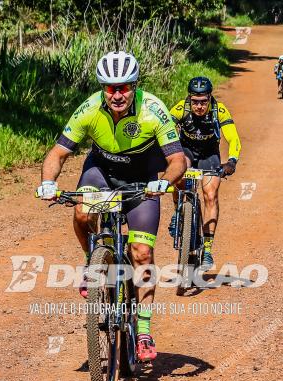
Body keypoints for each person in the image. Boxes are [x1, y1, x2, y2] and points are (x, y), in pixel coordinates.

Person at [36, 51, 187, 361]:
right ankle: (91, 261)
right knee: (82, 210)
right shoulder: (89, 109)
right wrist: (49, 182)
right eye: (110, 88)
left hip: (143, 179)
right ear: (103, 88)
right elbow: (58, 153)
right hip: (101, 172)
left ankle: (143, 330)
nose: (117, 94)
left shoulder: (153, 110)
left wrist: (165, 182)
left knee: (142, 253)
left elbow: (177, 160)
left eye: (124, 87)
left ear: (135, 85)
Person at [168, 77, 242, 269]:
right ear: (189, 98)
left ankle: (207, 249)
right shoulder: (180, 108)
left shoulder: (219, 110)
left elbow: (233, 138)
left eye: (204, 101)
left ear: (210, 98)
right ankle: (178, 210)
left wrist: (232, 161)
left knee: (210, 195)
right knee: (178, 172)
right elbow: (165, 130)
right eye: (195, 101)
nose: (199, 106)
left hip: (209, 153)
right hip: (186, 150)